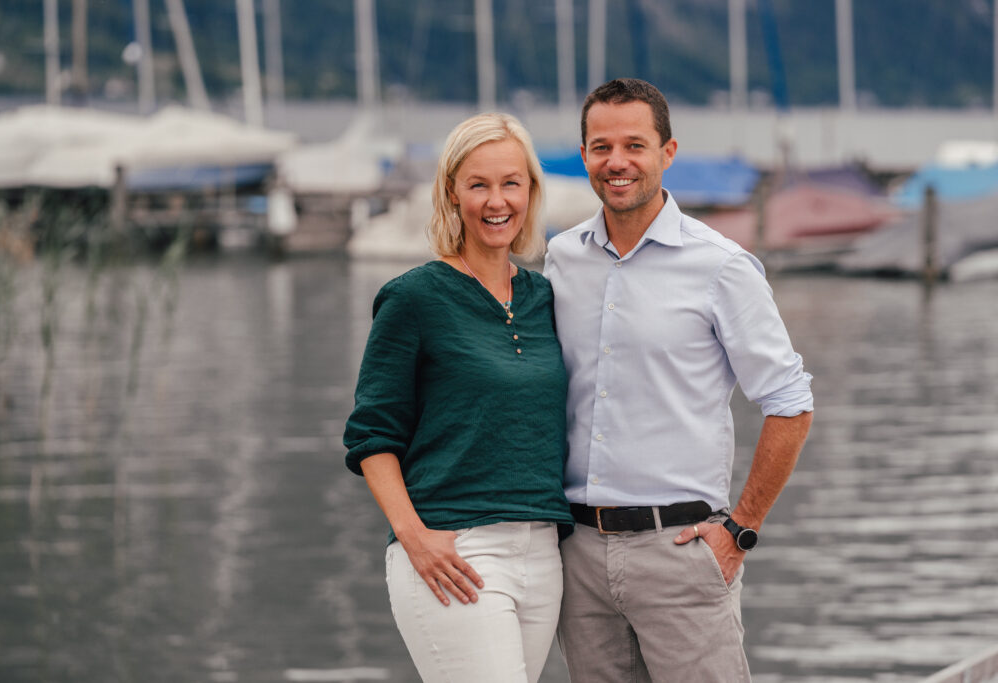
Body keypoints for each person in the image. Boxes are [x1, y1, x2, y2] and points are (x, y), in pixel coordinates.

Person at [544, 78, 814, 682]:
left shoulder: (720, 265)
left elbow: (791, 403)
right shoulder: (561, 257)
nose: (617, 162)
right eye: (600, 146)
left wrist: (739, 532)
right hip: (578, 554)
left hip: (683, 551)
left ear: (667, 153)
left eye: (635, 145)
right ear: (584, 154)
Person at [343, 112, 573, 683]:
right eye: (479, 185)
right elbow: (372, 436)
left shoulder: (544, 296)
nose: (497, 201)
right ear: (452, 193)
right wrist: (413, 537)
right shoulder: (413, 298)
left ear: (530, 191)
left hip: (543, 552)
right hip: (455, 550)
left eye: (511, 183)